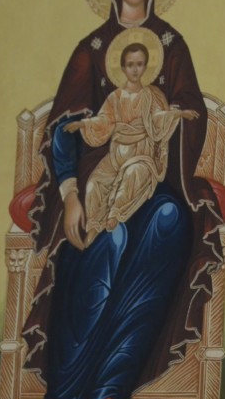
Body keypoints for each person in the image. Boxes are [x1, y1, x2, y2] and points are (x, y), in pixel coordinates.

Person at [26, 0, 225, 399]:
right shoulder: (91, 51)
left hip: (155, 179)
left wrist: (169, 122)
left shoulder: (171, 46)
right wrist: (71, 194)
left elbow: (190, 112)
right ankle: (64, 398)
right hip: (93, 184)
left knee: (168, 222)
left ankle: (113, 382)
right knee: (105, 241)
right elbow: (64, 129)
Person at [63, 37, 200, 247]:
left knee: (132, 175)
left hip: (141, 153)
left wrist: (178, 114)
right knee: (93, 185)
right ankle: (93, 229)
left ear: (145, 67)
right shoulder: (115, 97)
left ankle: (113, 220)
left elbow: (158, 118)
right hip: (116, 153)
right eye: (130, 65)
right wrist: (83, 124)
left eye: (139, 64)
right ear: (123, 68)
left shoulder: (152, 96)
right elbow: (104, 120)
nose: (135, 70)